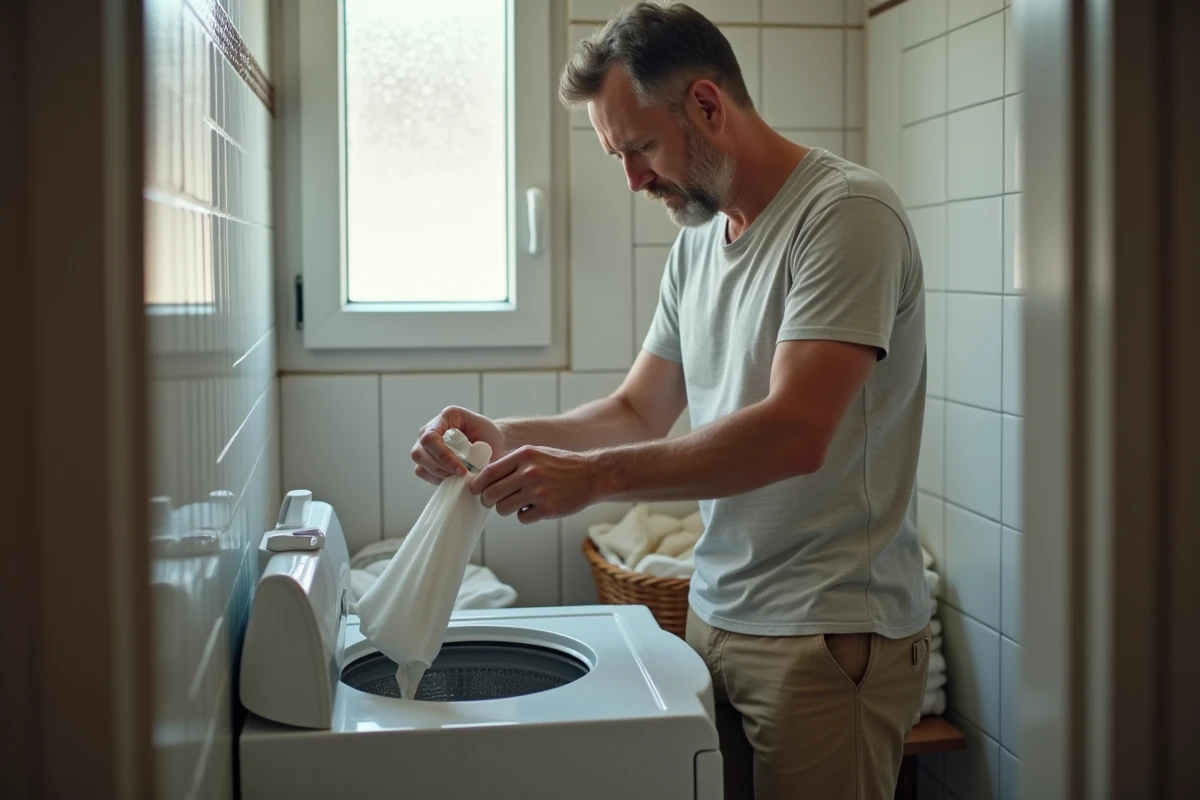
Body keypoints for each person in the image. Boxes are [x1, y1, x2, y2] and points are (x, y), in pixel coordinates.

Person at [410, 3, 931, 798]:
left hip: (826, 632)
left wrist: (594, 480)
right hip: (714, 614)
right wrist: (502, 437)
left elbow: (795, 434)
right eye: (619, 155)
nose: (632, 180)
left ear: (707, 105)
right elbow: (636, 411)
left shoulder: (846, 216)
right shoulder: (699, 242)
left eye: (641, 147)